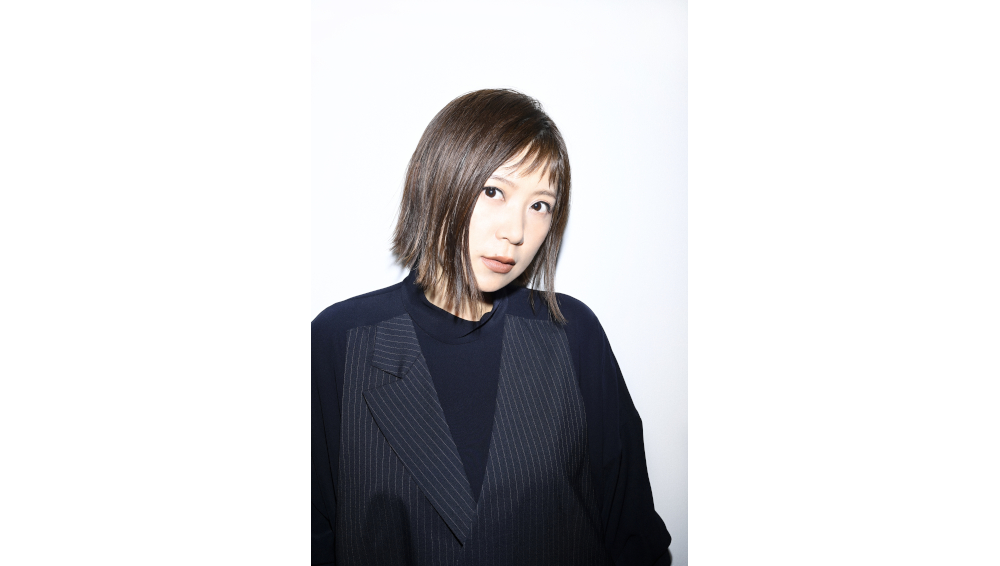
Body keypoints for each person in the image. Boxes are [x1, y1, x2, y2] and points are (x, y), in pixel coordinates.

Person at [313, 89, 671, 565]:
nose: (516, 232)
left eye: (540, 205)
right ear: (437, 180)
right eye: (494, 192)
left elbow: (634, 536)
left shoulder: (573, 335)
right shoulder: (339, 342)